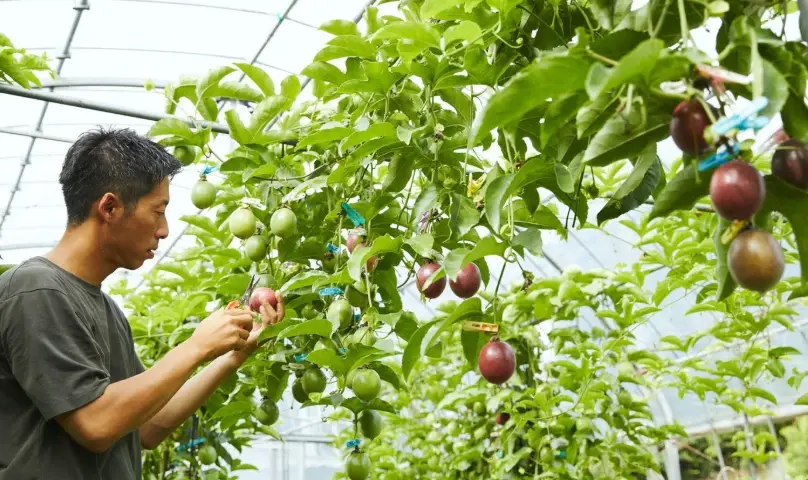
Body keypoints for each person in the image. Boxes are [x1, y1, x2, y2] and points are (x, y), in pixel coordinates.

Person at [0, 128, 284, 479]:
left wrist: (233, 355)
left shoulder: (108, 311)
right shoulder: (36, 290)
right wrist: (197, 345)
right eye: (158, 211)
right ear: (109, 207)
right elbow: (96, 424)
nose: (164, 230)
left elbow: (148, 426)